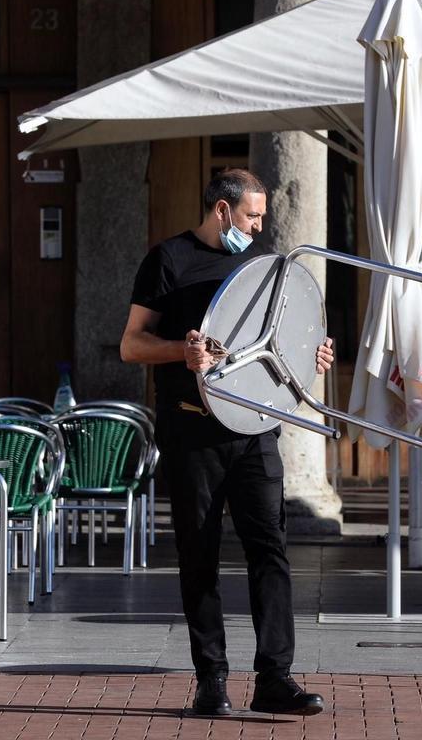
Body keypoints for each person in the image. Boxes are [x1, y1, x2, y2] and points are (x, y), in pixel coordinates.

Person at [120, 168, 334, 717]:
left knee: (271, 551)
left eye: (262, 216)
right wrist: (181, 354)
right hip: (193, 430)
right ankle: (211, 681)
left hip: (256, 428)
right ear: (222, 210)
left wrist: (310, 358)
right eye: (252, 216)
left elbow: (278, 338)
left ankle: (274, 678)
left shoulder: (260, 267)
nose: (259, 228)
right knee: (200, 556)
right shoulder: (168, 260)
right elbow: (131, 345)